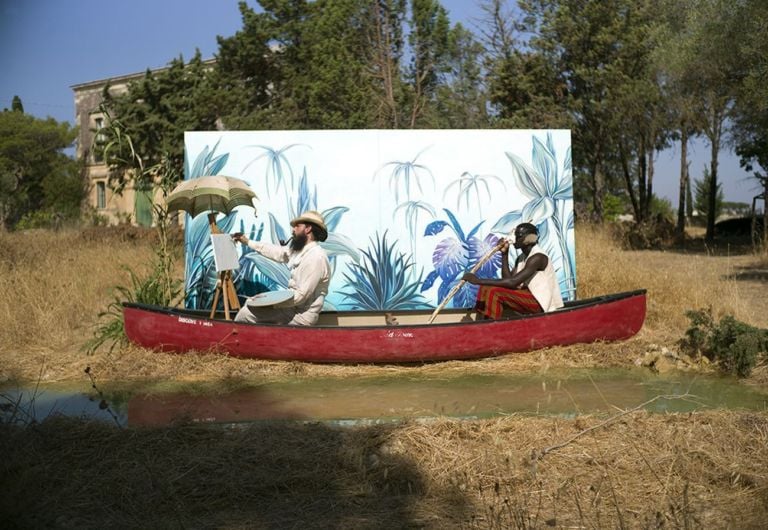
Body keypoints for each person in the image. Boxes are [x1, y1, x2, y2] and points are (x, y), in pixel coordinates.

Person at [233, 210, 331, 325]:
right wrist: (247, 241)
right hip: (290, 309)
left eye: (297, 226)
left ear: (308, 229)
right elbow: (278, 252)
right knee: (249, 304)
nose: (293, 230)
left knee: (246, 313)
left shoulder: (315, 257)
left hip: (301, 316)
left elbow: (300, 297)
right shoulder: (302, 251)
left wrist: (268, 301)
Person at [462, 222, 564, 319]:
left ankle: (491, 327)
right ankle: (485, 321)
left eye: (518, 236)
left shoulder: (537, 257)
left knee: (494, 292)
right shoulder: (521, 258)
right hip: (527, 297)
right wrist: (504, 254)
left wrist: (478, 281)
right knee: (485, 288)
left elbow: (512, 283)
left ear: (530, 239)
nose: (514, 239)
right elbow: (508, 280)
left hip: (540, 302)